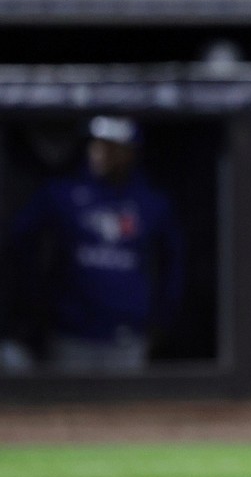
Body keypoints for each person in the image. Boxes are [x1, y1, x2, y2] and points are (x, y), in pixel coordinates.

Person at [6, 116, 185, 373]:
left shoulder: (150, 202)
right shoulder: (63, 192)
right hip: (72, 333)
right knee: (66, 408)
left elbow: (173, 260)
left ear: (130, 152)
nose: (100, 153)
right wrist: (37, 298)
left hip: (128, 334)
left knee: (127, 410)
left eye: (111, 147)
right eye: (96, 144)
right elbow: (20, 239)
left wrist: (162, 317)